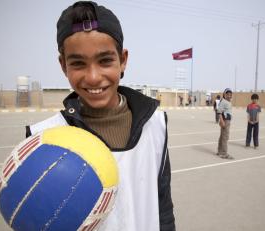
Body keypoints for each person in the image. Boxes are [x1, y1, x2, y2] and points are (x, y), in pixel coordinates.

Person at [25, 2, 175, 230]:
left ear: (123, 60)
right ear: (63, 65)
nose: (93, 77)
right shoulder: (43, 139)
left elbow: (163, 208)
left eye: (105, 60)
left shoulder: (156, 124)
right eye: (78, 63)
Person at [216, 89, 234, 159]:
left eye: (230, 94)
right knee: (225, 137)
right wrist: (222, 121)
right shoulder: (223, 101)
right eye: (227, 94)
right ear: (224, 94)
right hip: (225, 121)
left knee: (222, 136)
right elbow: (219, 112)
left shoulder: (228, 102)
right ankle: (224, 153)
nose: (229, 96)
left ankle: (220, 151)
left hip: (227, 121)